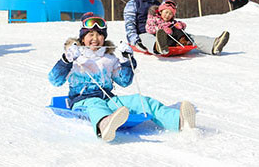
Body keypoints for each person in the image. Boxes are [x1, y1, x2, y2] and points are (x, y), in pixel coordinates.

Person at [48, 12, 196, 142]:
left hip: (108, 100)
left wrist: (126, 61)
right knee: (95, 105)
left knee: (142, 101)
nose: (95, 38)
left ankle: (178, 121)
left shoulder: (109, 58)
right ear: (82, 38)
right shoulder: (74, 56)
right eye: (90, 34)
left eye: (100, 34)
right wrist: (65, 60)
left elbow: (124, 81)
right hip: (83, 102)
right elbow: (54, 80)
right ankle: (104, 125)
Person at [124, 0, 229, 55]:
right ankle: (158, 46)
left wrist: (174, 26)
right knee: (147, 37)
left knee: (186, 36)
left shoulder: (158, 3)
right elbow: (129, 24)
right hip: (144, 33)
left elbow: (166, 18)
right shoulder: (133, 4)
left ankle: (213, 44)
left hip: (162, 31)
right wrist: (135, 40)